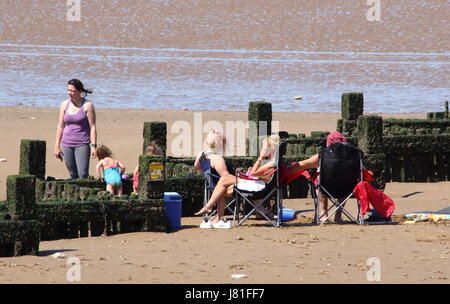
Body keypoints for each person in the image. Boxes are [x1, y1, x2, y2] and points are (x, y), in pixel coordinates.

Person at [194, 132, 280, 228]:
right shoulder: (218, 159)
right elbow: (227, 176)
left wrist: (260, 157)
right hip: (245, 184)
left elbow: (197, 166)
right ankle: (216, 215)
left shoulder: (202, 155)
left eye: (264, 148)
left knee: (222, 183)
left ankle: (210, 208)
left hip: (258, 187)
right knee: (223, 183)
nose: (262, 150)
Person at [288, 131, 349, 222]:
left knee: (321, 182)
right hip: (346, 189)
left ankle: (323, 215)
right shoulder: (354, 156)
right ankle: (338, 214)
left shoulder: (323, 155)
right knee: (346, 181)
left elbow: (302, 165)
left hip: (326, 187)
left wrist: (286, 170)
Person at [54, 79, 97, 179]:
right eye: (68, 90)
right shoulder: (64, 104)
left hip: (82, 143)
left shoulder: (87, 105)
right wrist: (57, 146)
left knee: (83, 174)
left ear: (80, 91)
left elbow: (93, 127)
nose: (70, 93)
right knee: (73, 174)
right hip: (66, 144)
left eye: (73, 91)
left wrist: (94, 146)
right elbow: (60, 126)